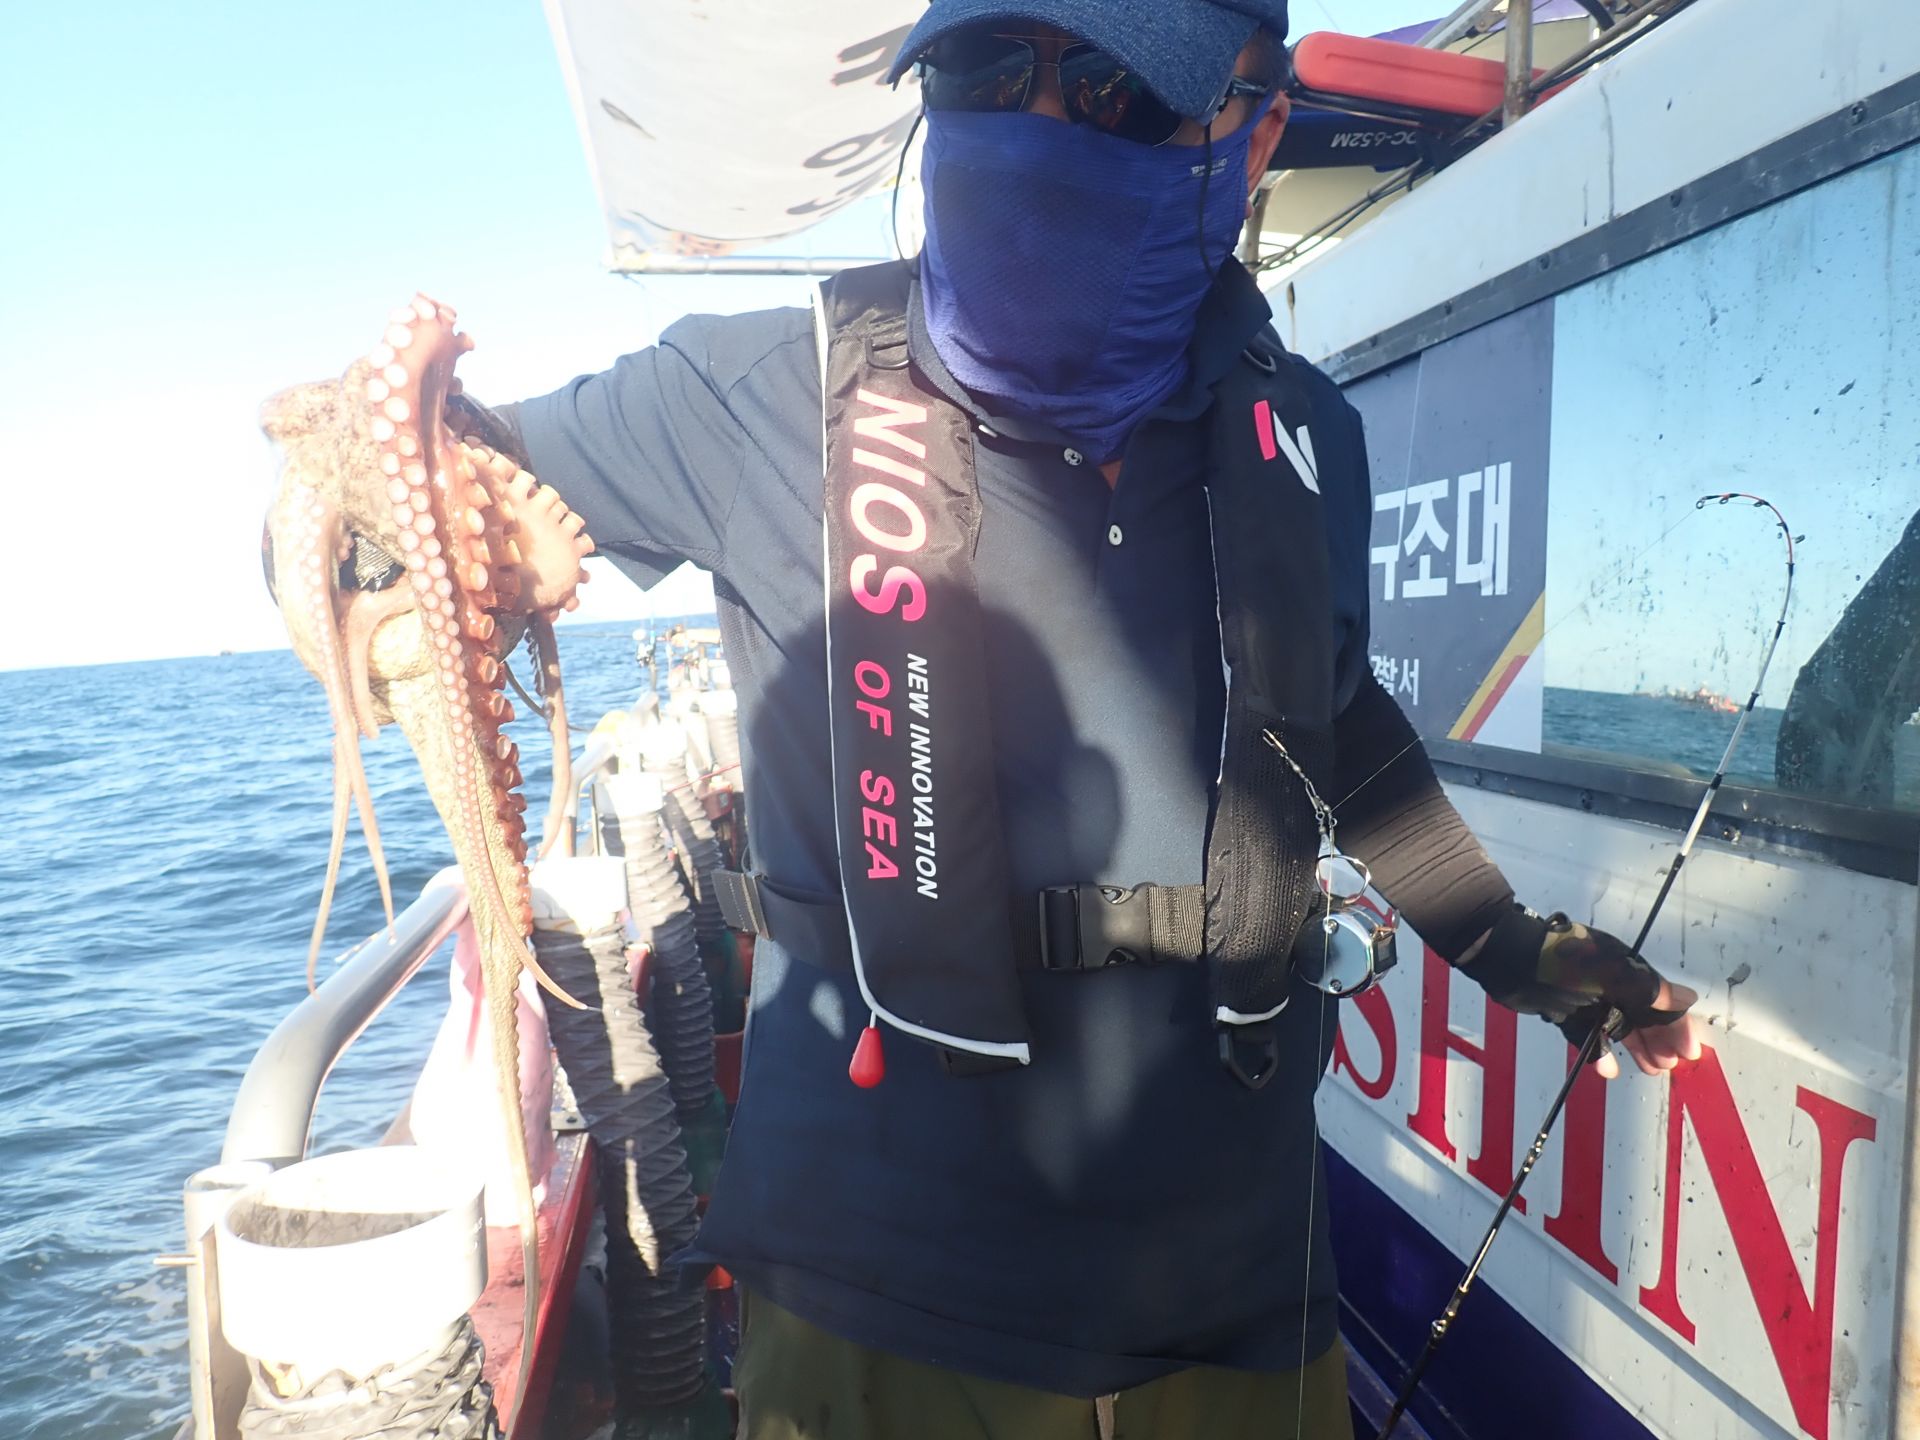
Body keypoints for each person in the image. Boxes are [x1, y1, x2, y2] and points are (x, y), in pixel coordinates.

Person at [495, 3, 1704, 1435]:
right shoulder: (749, 395)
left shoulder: (1309, 434)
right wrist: (397, 563)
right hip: (877, 1289)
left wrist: (1526, 955)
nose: (1039, 126)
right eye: (985, 69)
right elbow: (387, 518)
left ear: (1256, 132)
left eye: (1122, 88)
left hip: (1241, 1288)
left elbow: (1338, 726)